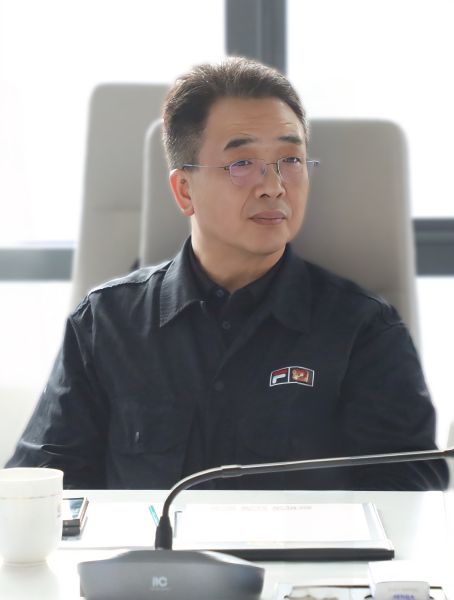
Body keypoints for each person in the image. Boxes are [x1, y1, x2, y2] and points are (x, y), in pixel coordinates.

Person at [7, 57, 448, 490]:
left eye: (291, 160)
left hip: (309, 544)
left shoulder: (364, 330)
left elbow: (412, 497)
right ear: (184, 190)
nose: (274, 186)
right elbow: (37, 490)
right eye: (242, 163)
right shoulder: (105, 324)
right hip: (154, 543)